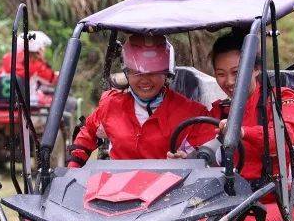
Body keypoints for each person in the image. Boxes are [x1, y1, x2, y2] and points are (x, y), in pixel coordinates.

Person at [208, 31, 294, 221]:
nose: (229, 81)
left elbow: (286, 137)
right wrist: (185, 157)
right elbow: (201, 147)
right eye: (221, 74)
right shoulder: (219, 111)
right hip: (231, 204)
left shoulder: (281, 99)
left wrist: (242, 132)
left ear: (255, 69)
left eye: (236, 72)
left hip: (281, 204)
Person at [67, 34, 217, 166]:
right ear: (126, 72)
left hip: (172, 193)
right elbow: (86, 134)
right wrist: (73, 168)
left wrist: (190, 160)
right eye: (137, 73)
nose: (145, 80)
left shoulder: (192, 114)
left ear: (166, 73)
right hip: (115, 191)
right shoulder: (110, 105)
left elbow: (214, 155)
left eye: (153, 72)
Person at [0, 30, 58, 102]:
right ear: (39, 49)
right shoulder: (36, 64)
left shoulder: (8, 58)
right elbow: (53, 80)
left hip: (0, 102)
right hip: (26, 103)